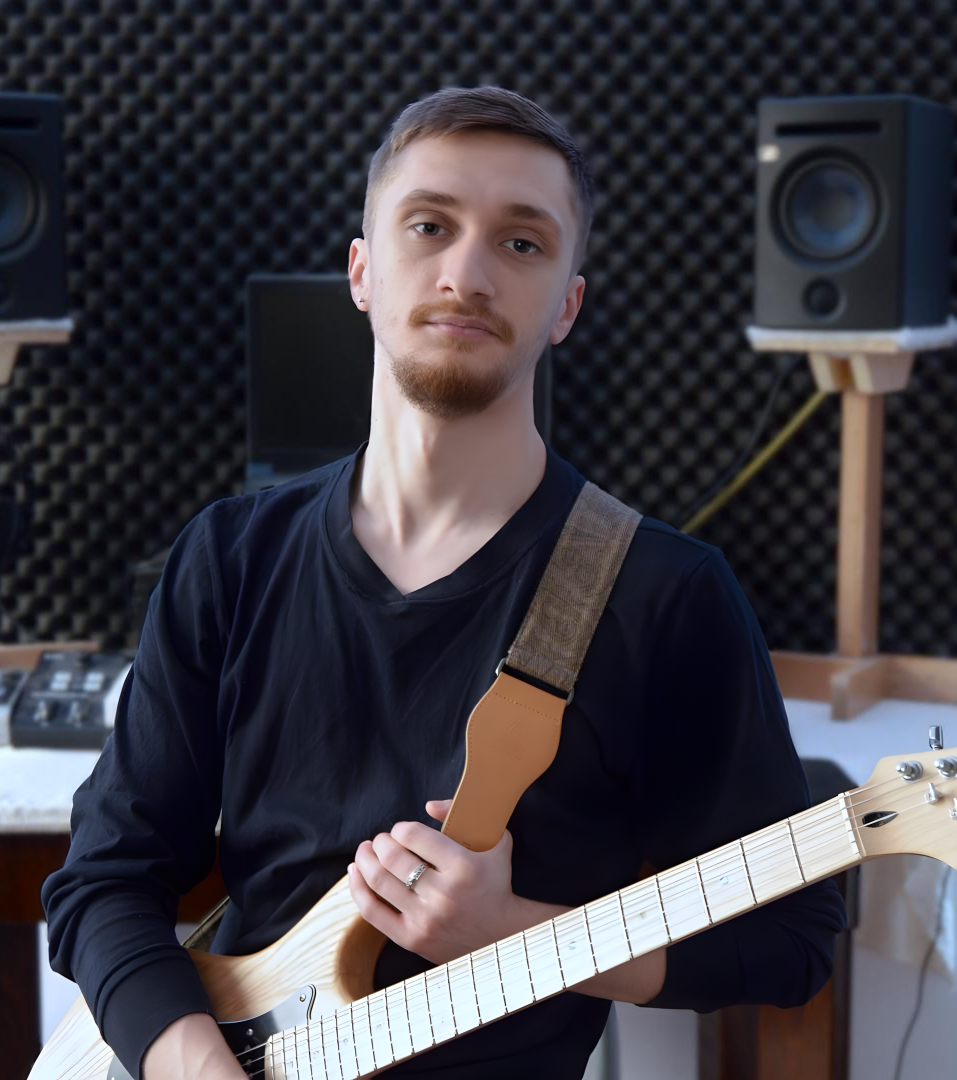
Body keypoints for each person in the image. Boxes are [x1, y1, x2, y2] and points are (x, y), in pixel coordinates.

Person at [42, 86, 846, 1079]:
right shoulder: (228, 559)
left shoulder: (665, 596)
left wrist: (512, 932)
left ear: (567, 305)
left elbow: (792, 941)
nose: (466, 275)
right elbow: (104, 881)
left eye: (521, 243)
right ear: (362, 271)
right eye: (429, 226)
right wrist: (195, 1066)